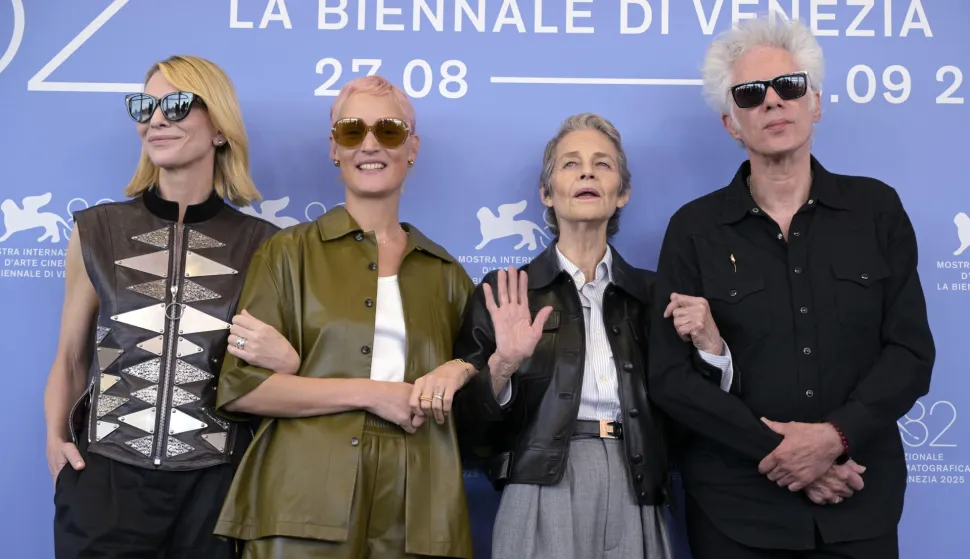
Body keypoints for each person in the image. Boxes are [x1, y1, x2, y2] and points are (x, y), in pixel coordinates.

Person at [648, 16, 935, 559]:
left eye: (789, 85)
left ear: (815, 103)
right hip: (737, 511)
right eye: (750, 93)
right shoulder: (694, 229)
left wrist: (833, 439)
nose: (773, 101)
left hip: (859, 497)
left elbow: (910, 353)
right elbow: (671, 378)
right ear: (732, 124)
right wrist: (785, 453)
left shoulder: (877, 211)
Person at [211, 75, 476, 559]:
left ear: (412, 148)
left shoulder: (447, 274)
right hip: (300, 498)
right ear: (335, 148)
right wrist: (374, 393)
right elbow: (242, 388)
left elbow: (477, 404)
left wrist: (471, 367)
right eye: (352, 131)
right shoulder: (286, 254)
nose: (369, 144)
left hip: (418, 505)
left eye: (389, 130)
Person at [451, 113, 735, 559]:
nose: (587, 173)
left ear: (622, 192)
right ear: (546, 192)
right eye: (571, 164)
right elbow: (468, 428)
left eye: (602, 164)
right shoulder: (507, 292)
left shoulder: (655, 295)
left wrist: (712, 349)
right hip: (537, 485)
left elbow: (696, 417)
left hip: (637, 482)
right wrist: (503, 364)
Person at [43, 55, 279, 558]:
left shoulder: (264, 244)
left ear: (220, 128)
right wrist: (55, 441)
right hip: (105, 480)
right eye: (144, 106)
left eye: (176, 104)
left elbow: (266, 371)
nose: (155, 119)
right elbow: (71, 356)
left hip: (215, 488)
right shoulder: (96, 230)